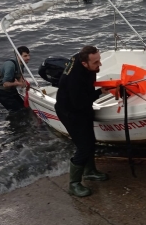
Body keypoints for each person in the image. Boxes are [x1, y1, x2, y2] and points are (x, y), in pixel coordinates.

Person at [55, 45, 109, 197]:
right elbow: (79, 103)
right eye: (96, 63)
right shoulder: (75, 79)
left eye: (99, 60)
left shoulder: (80, 58)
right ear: (85, 63)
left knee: (91, 141)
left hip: (82, 109)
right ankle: (74, 184)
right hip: (70, 112)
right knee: (84, 146)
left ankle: (90, 171)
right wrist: (99, 92)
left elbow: (85, 97)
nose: (100, 65)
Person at [0, 46, 31, 113]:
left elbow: (19, 77)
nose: (28, 58)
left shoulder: (22, 64)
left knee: (24, 107)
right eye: (25, 56)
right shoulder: (10, 66)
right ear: (18, 56)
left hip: (11, 88)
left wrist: (24, 84)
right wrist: (16, 84)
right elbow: (5, 84)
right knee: (17, 111)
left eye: (29, 55)